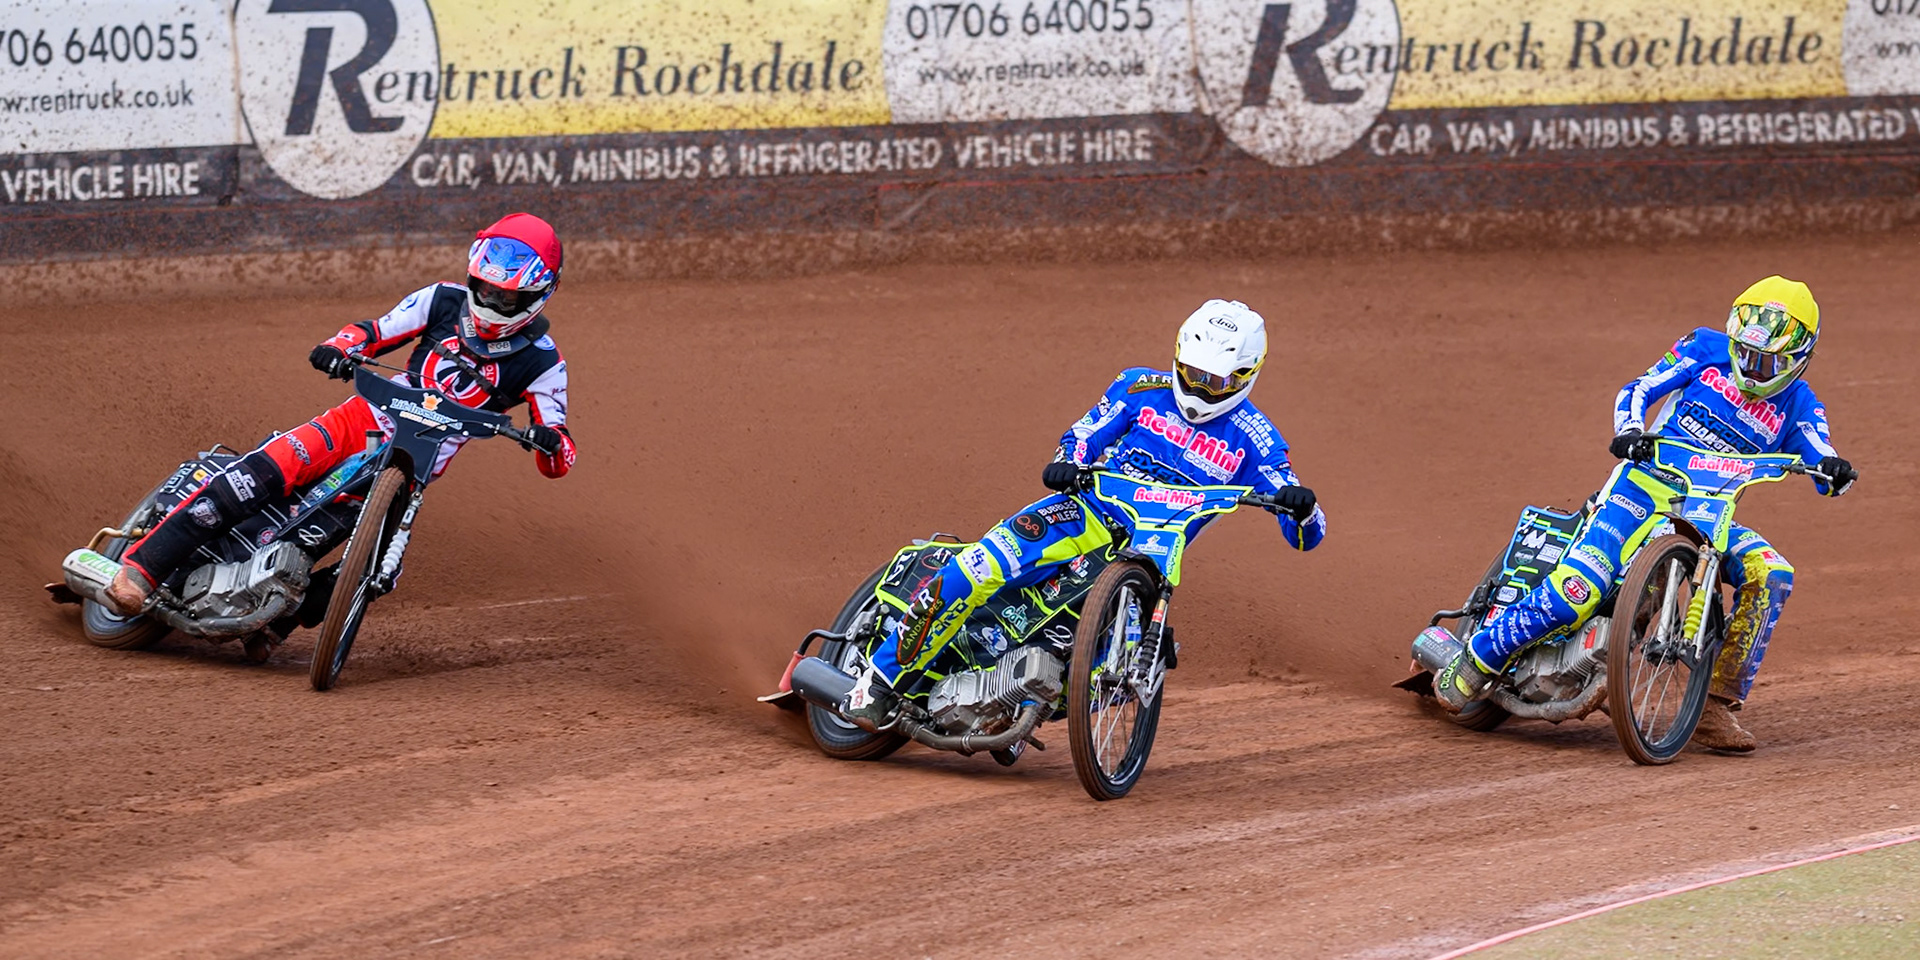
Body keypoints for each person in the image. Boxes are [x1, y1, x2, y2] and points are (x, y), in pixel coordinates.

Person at [840, 299, 1328, 730]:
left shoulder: (1258, 439)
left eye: (1215, 381)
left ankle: (1016, 701)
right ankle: (877, 683)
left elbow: (1307, 533)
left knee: (1111, 665)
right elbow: (1084, 434)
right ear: (1178, 356)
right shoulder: (1138, 386)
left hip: (1151, 550)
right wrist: (1068, 461)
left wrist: (1302, 509)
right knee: (978, 567)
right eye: (1191, 372)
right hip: (1080, 512)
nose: (1199, 388)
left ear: (1246, 375)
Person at [1433, 276, 1857, 751]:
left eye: (1767, 361)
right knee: (1579, 590)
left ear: (1798, 359)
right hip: (1640, 488)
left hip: (1709, 511)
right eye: (1744, 352)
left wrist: (1833, 470)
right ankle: (1476, 659)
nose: (1752, 368)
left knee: (1771, 573)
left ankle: (1714, 705)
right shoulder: (1703, 347)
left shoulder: (1800, 404)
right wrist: (1630, 429)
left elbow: (1821, 453)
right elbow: (1639, 388)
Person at [102, 212, 576, 615]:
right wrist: (338, 347)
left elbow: (560, 451)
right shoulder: (441, 300)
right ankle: (141, 571)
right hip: (360, 421)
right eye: (485, 288)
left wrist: (550, 442)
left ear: (538, 295)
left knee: (375, 570)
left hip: (411, 468)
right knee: (258, 475)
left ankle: (275, 623)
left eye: (506, 297)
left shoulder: (545, 363)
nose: (491, 302)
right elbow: (374, 331)